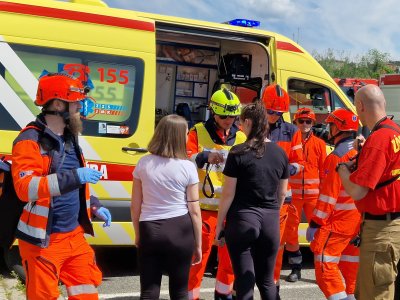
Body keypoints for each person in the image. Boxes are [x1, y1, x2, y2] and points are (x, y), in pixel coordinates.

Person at [12, 72, 112, 300]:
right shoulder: (29, 140)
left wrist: (94, 206)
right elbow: (25, 188)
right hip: (43, 243)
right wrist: (75, 176)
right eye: (76, 101)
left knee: (86, 294)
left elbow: (76, 185)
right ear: (58, 103)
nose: (80, 106)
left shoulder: (69, 136)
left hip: (74, 237)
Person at [215, 101, 289, 300]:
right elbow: (282, 194)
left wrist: (219, 225)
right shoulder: (280, 153)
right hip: (270, 221)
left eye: (241, 121)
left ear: (248, 122)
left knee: (244, 282)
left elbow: (228, 194)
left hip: (243, 218)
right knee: (266, 281)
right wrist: (272, 213)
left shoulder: (238, 152)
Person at [338, 84, 400, 300]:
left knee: (375, 294)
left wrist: (342, 171)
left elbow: (358, 192)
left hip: (381, 231)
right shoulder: (394, 132)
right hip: (390, 227)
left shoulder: (379, 140)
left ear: (361, 106)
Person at [131, 114, 202, 300]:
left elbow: (135, 205)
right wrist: (198, 244)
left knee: (149, 290)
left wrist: (138, 233)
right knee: (179, 291)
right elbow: (194, 210)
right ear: (179, 137)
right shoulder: (188, 167)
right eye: (186, 133)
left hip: (150, 229)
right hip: (180, 230)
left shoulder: (143, 163)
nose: (188, 137)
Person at [187, 88, 247, 300]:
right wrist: (203, 156)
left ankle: (223, 296)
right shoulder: (197, 131)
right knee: (197, 261)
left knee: (229, 262)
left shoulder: (240, 136)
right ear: (213, 112)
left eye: (233, 116)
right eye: (224, 116)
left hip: (231, 210)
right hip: (204, 210)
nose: (229, 120)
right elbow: (183, 160)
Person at [307, 108, 361, 300]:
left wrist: (315, 223)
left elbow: (328, 197)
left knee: (325, 268)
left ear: (339, 128)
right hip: (357, 223)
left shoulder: (336, 157)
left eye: (331, 125)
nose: (328, 129)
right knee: (351, 268)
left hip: (337, 223)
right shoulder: (360, 152)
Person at [260, 84, 304, 293]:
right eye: (271, 112)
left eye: (279, 113)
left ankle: (273, 285)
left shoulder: (291, 131)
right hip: (254, 196)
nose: (275, 116)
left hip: (281, 200)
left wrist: (285, 169)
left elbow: (300, 162)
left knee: (276, 245)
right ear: (261, 106)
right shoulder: (250, 126)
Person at [284, 107, 326, 282]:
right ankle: (296, 268)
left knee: (318, 232)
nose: (305, 124)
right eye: (301, 121)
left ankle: (321, 269)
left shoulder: (319, 144)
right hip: (293, 197)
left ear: (313, 123)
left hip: (314, 198)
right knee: (291, 232)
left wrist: (324, 197)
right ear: (296, 123)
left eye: (308, 121)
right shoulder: (289, 143)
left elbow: (324, 171)